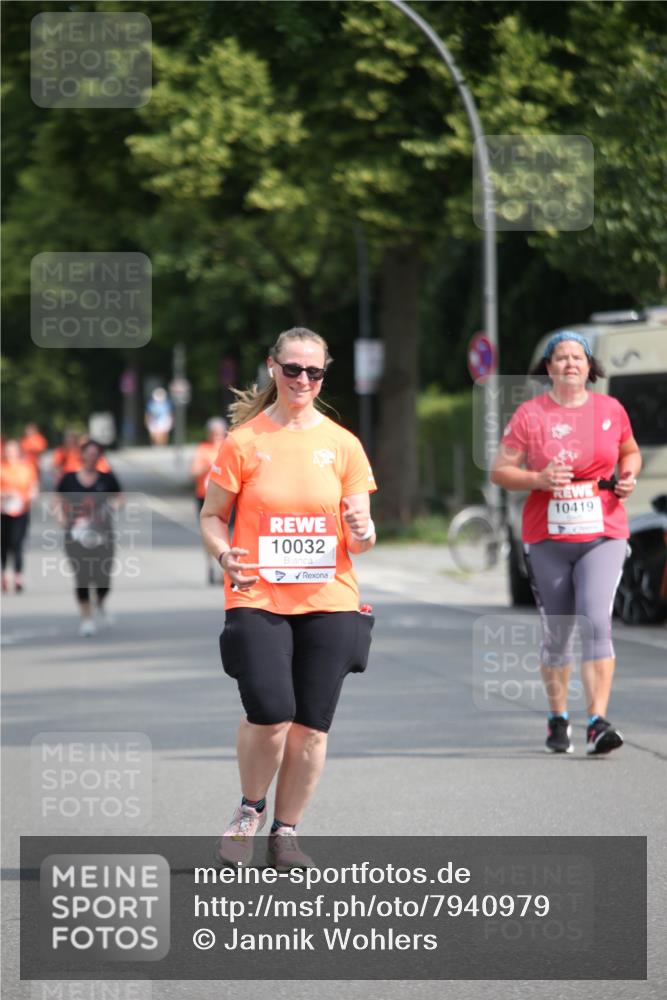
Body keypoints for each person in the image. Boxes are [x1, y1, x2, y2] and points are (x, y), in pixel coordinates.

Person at [200, 327, 377, 869]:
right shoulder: (245, 442)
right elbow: (211, 517)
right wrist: (224, 554)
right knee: (272, 712)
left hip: (331, 599)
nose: (303, 379)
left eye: (314, 371)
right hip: (256, 596)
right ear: (272, 367)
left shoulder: (343, 445)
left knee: (311, 728)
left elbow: (364, 539)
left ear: (324, 375)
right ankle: (249, 809)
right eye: (293, 368)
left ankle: (286, 832)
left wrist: (362, 527)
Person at [491, 330, 641, 755]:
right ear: (549, 368)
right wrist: (537, 479)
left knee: (597, 619)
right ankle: (558, 717)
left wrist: (627, 475)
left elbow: (629, 452)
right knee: (557, 634)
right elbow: (501, 471)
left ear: (590, 367)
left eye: (578, 357)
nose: (570, 364)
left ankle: (597, 721)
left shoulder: (610, 409)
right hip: (548, 535)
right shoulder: (529, 415)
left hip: (603, 530)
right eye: (561, 358)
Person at [57, 439, 123, 636]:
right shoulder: (69, 479)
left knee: (103, 577)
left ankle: (100, 601)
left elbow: (120, 497)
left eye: (96, 453)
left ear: (99, 457)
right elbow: (57, 500)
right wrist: (60, 516)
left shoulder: (107, 479)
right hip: (75, 536)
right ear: (82, 454)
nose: (92, 456)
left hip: (103, 535)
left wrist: (113, 506)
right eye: (89, 452)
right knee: (82, 576)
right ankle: (86, 619)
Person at [190, 418, 229, 584]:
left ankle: (226, 567)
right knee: (209, 534)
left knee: (230, 533)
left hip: (227, 496)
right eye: (213, 434)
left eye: (219, 434)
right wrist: (208, 466)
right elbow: (192, 473)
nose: (216, 437)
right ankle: (211, 566)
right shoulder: (203, 449)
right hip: (204, 496)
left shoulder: (229, 447)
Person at [1, 440, 38, 592]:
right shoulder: (2, 468)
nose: (11, 453)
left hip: (21, 510)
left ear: (18, 451)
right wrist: (5, 495)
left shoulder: (27, 468)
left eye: (13, 450)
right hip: (3, 510)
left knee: (17, 543)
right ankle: (4, 573)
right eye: (8, 450)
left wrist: (29, 496)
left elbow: (34, 488)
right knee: (4, 544)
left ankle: (18, 575)